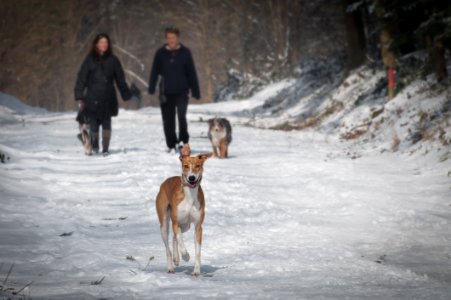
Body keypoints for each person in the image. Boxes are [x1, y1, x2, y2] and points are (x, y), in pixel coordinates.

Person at [74, 33, 134, 155]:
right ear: (96, 44)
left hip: (108, 96)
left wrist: (126, 94)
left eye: (106, 42)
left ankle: (105, 148)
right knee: (94, 123)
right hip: (92, 97)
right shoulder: (89, 60)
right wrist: (79, 95)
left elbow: (120, 79)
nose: (104, 45)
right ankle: (94, 146)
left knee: (107, 122)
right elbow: (82, 78)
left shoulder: (113, 60)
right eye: (101, 42)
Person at [148, 26, 201, 153]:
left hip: (182, 91)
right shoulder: (160, 53)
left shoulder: (185, 52)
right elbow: (155, 71)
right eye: (169, 38)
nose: (171, 40)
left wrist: (195, 90)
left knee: (181, 116)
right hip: (166, 92)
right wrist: (151, 86)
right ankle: (171, 144)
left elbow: (191, 72)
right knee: (168, 120)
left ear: (178, 38)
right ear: (166, 39)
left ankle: (183, 141)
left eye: (173, 37)